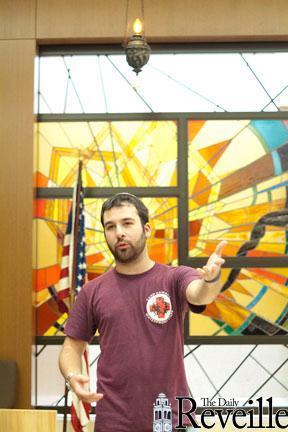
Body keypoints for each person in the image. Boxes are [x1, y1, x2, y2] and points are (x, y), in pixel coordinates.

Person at [59, 193, 226, 432]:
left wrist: (212, 279)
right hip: (114, 423)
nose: (119, 233)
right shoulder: (92, 291)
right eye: (110, 226)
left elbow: (200, 294)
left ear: (146, 229)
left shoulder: (174, 277)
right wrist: (73, 376)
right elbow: (71, 348)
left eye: (127, 223)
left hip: (173, 420)